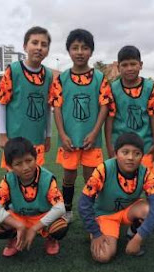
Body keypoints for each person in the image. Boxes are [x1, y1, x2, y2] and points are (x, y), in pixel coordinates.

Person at [49, 28, 113, 223]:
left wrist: (94, 133)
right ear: (68, 51)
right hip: (68, 138)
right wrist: (62, 133)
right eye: (75, 47)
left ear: (91, 52)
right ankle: (67, 210)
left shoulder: (100, 78)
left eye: (84, 48)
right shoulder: (61, 79)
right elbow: (57, 108)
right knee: (68, 177)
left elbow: (104, 106)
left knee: (90, 177)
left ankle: (91, 210)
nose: (79, 52)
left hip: (91, 139)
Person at [78, 132, 154, 263]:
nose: (131, 157)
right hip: (106, 214)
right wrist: (96, 233)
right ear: (116, 153)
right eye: (125, 152)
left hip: (129, 211)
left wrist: (139, 239)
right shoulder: (104, 169)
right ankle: (101, 229)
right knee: (103, 256)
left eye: (136, 153)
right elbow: (84, 203)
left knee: (149, 209)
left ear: (142, 156)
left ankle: (133, 233)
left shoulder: (146, 173)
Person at [0, 137, 68, 257]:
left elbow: (60, 208)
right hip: (19, 217)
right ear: (10, 166)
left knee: (60, 226)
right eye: (18, 164)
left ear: (36, 158)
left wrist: (34, 228)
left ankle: (51, 239)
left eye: (29, 160)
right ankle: (14, 238)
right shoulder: (8, 180)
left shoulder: (47, 178)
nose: (25, 167)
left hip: (41, 217)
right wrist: (18, 225)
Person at [0, 26, 53, 170]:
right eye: (35, 43)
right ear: (25, 46)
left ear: (47, 50)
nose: (39, 48)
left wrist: (48, 135)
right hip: (14, 140)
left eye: (44, 45)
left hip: (37, 139)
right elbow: (1, 103)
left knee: (35, 178)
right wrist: (2, 135)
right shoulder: (14, 70)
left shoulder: (49, 75)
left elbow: (47, 108)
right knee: (13, 179)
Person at [105, 45, 154, 174]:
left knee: (147, 180)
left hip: (145, 145)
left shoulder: (149, 87)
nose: (129, 68)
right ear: (118, 67)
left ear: (140, 65)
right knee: (120, 180)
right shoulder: (113, 88)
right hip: (120, 145)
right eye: (124, 65)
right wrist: (109, 147)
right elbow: (109, 119)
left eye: (133, 64)